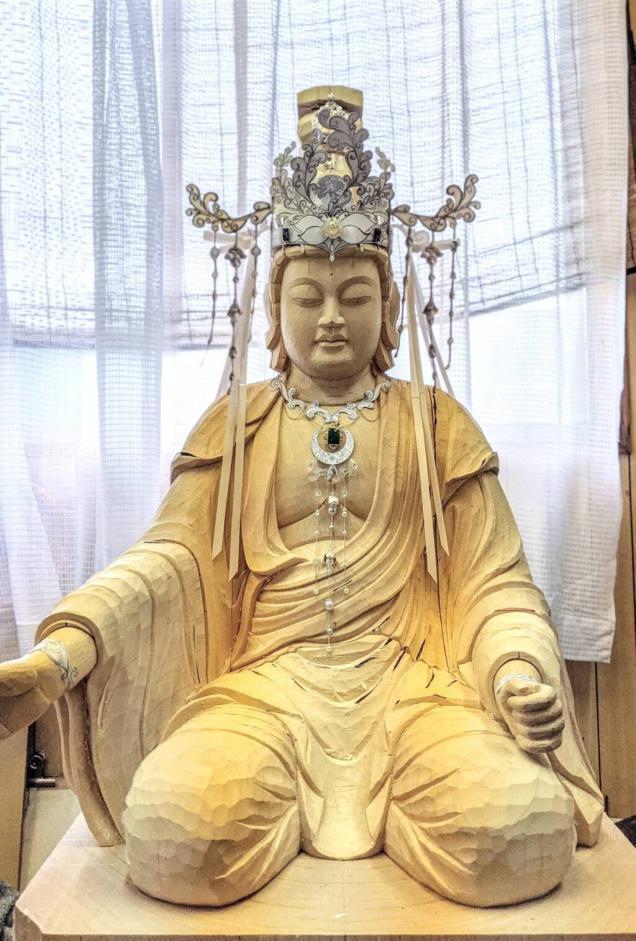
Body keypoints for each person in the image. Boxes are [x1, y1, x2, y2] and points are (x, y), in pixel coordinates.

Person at [0, 87, 602, 909]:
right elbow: (165, 563)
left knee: (523, 830)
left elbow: (494, 584)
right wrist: (63, 654)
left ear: (390, 306)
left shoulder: (435, 425)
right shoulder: (239, 425)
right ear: (272, 310)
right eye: (308, 297)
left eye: (355, 296)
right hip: (265, 690)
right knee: (175, 833)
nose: (331, 319)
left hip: (417, 689)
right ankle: (296, 822)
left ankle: (384, 824)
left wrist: (515, 669)